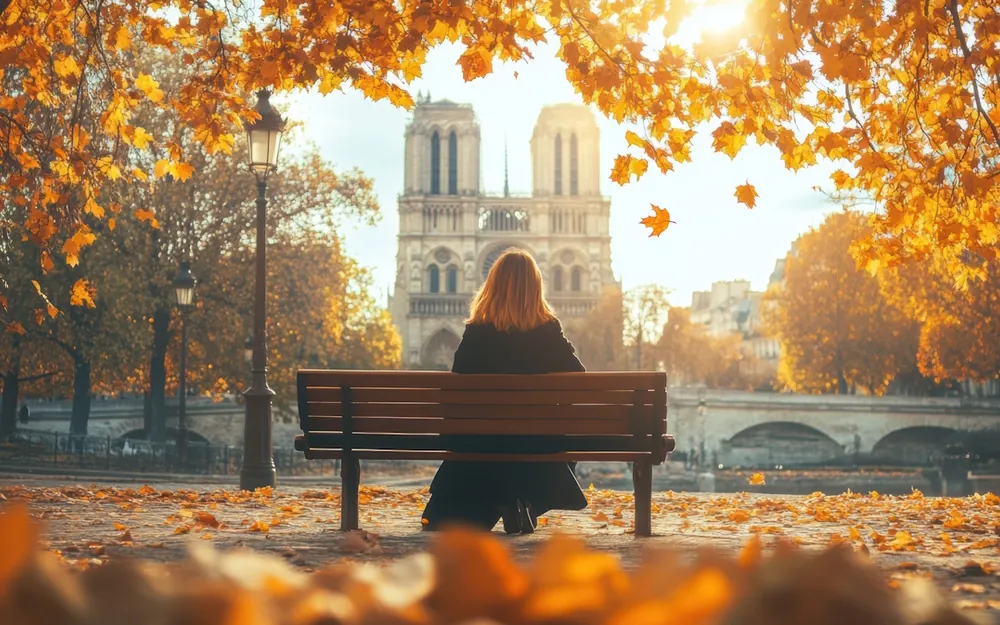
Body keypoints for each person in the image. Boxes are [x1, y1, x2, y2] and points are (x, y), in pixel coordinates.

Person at [420, 249, 589, 534]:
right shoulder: (548, 331)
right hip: (537, 443)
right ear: (536, 289)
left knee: (486, 438)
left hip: (480, 444)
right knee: (560, 434)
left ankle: (496, 502)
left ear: (492, 286)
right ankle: (523, 501)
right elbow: (579, 379)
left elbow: (457, 386)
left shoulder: (476, 332)